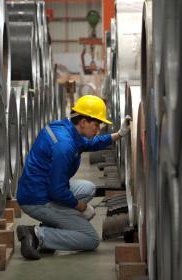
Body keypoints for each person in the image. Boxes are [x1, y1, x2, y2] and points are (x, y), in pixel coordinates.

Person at [16, 95, 131, 259]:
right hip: (38, 199)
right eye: (96, 124)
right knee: (90, 238)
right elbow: (57, 191)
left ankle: (52, 224)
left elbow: (90, 143)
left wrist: (119, 134)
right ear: (83, 122)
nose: (98, 129)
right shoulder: (64, 146)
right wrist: (81, 207)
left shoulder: (66, 128)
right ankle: (36, 235)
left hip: (38, 188)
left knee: (88, 188)